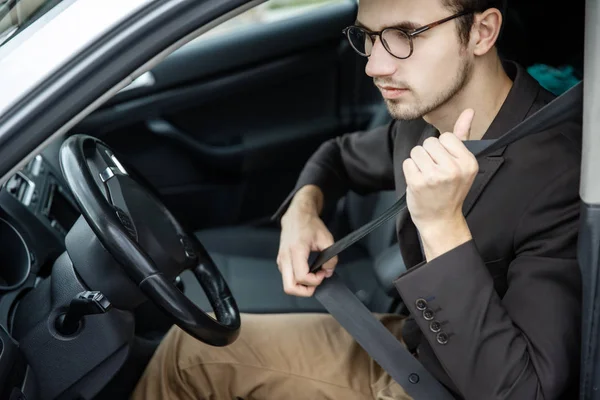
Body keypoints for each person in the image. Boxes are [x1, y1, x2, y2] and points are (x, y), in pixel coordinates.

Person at [132, 0, 582, 398]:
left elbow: (525, 390)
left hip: (455, 384)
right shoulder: (422, 115)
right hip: (409, 348)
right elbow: (337, 158)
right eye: (369, 37)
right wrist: (302, 210)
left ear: (482, 32)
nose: (375, 66)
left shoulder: (562, 175)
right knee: (188, 350)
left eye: (405, 35)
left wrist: (443, 227)